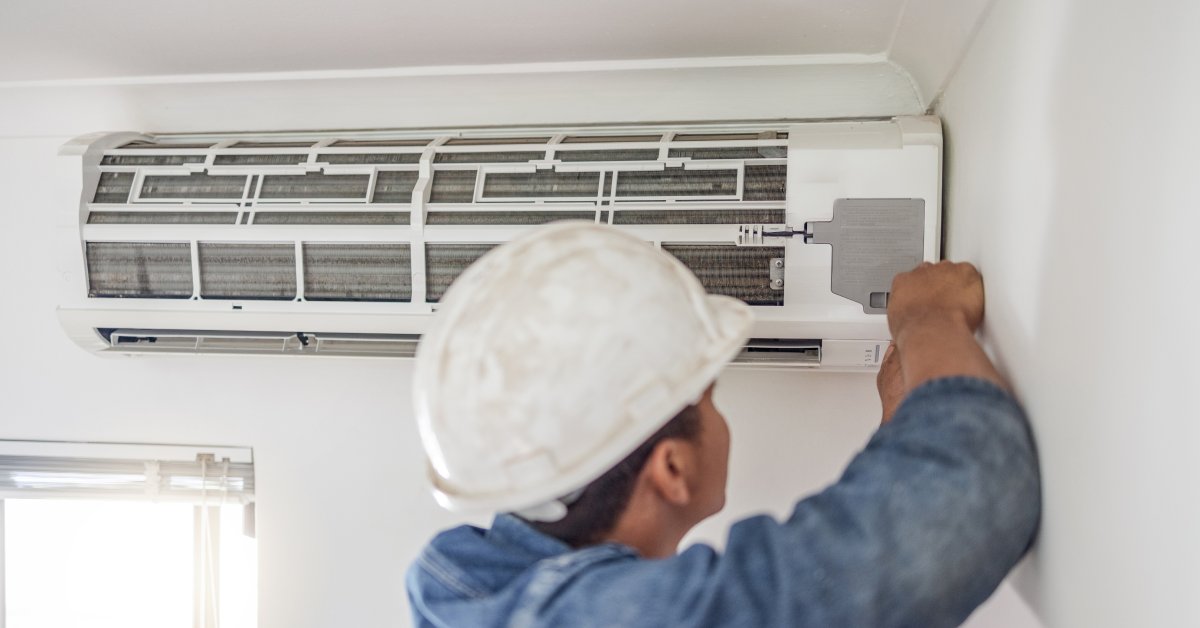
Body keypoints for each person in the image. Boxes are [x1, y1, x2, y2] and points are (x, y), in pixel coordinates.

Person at [407, 222, 1040, 627]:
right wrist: (930, 321)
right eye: (709, 398)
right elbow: (975, 490)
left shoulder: (464, 599)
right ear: (672, 469)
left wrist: (903, 422)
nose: (717, 412)